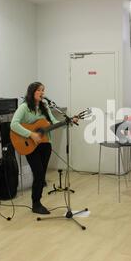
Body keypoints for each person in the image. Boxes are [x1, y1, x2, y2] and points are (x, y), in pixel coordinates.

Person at [10, 82, 77, 214]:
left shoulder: (45, 106)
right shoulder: (24, 107)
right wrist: (31, 134)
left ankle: (37, 201)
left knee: (41, 175)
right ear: (32, 92)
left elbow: (53, 123)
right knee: (39, 174)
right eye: (39, 90)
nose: (42, 93)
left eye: (43, 90)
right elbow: (13, 124)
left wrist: (68, 123)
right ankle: (36, 203)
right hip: (29, 145)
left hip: (45, 145)